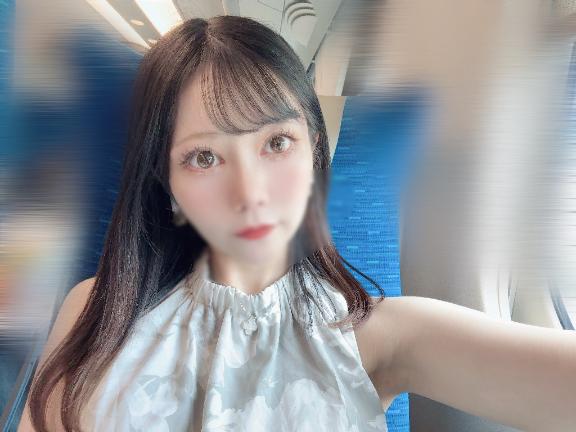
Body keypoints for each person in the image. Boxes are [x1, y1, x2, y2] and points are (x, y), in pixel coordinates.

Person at [18, 15, 576, 432]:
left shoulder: (379, 334)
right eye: (204, 157)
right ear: (167, 186)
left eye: (276, 143)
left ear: (314, 156)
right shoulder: (94, 310)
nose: (251, 193)